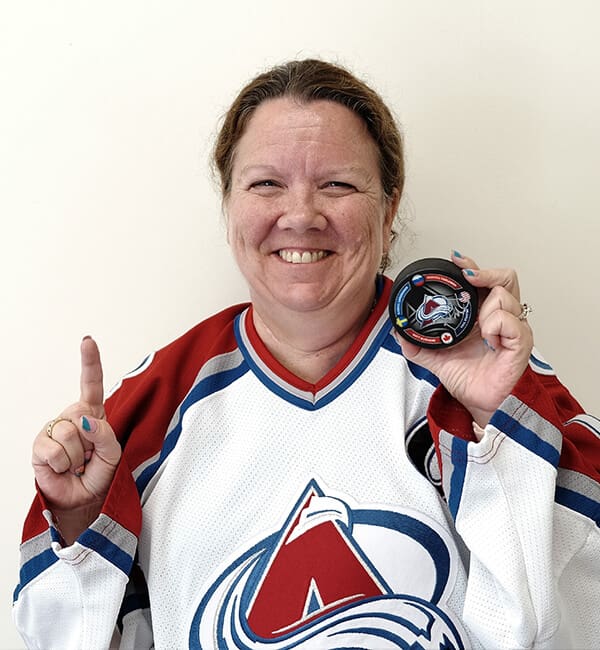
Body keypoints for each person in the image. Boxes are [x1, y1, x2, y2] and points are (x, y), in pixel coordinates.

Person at [13, 59, 600, 650]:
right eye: (266, 184)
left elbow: (579, 619)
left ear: (389, 206)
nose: (300, 215)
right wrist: (82, 523)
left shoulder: (495, 376)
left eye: (337, 184)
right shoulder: (151, 408)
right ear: (230, 206)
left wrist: (500, 430)